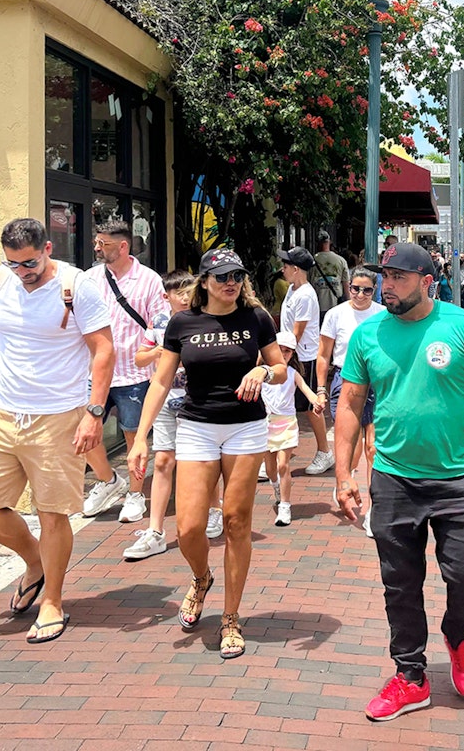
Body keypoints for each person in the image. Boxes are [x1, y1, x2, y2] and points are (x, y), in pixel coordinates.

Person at [333, 240, 464, 720]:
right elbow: (348, 404)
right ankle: (410, 676)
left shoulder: (463, 326)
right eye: (384, 277)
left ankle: (458, 637)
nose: (387, 287)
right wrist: (344, 475)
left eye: (398, 278)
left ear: (427, 282)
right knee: (400, 584)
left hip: (459, 480)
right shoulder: (370, 336)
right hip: (393, 480)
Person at [0, 218, 115, 645]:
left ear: (48, 248)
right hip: (1, 412)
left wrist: (94, 413)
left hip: (58, 416)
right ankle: (34, 561)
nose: (23, 272)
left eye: (30, 263)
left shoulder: (78, 288)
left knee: (53, 514)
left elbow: (103, 351)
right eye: (15, 264)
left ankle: (53, 601)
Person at [126, 248, 286, 660]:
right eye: (221, 277)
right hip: (195, 426)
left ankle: (231, 617)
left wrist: (262, 370)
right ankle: (201, 578)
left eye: (236, 276)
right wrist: (141, 437)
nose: (230, 283)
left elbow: (281, 367)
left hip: (246, 427)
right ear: (204, 282)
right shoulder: (182, 322)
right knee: (191, 527)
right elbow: (161, 382)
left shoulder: (256, 318)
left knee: (235, 522)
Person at [81, 222, 168, 523]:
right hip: (95, 374)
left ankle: (135, 494)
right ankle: (108, 481)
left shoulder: (149, 280)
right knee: (80, 433)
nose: (97, 248)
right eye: (97, 242)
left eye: (103, 243)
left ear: (123, 247)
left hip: (135, 373)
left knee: (134, 437)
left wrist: (161, 359)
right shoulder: (90, 279)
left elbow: (160, 323)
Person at [122, 269, 193, 560]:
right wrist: (157, 353)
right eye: (179, 292)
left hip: (195, 401)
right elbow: (140, 357)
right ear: (166, 296)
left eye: (189, 290)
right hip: (165, 400)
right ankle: (155, 530)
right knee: (163, 460)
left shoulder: (205, 318)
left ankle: (213, 511)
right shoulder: (160, 324)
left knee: (201, 462)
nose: (185, 297)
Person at [315, 266, 385, 536]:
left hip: (376, 381)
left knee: (374, 447)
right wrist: (320, 389)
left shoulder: (382, 314)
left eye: (367, 289)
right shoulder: (335, 314)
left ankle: (372, 510)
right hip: (344, 381)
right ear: (348, 287)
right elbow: (323, 355)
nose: (360, 294)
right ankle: (346, 477)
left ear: (374, 289)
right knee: (351, 443)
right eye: (355, 288)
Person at [278, 245, 333, 475]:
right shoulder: (293, 289)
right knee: (283, 405)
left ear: (297, 269)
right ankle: (278, 454)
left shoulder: (305, 295)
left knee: (312, 408)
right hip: (291, 354)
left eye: (286, 266)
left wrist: (282, 355)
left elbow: (297, 333)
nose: (282, 269)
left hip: (302, 357)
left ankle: (324, 452)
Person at [261, 330, 323, 527]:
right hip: (265, 424)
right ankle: (277, 488)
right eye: (280, 350)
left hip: (286, 422)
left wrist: (317, 400)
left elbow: (307, 390)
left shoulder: (292, 374)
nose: (284, 354)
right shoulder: (261, 371)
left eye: (288, 352)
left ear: (293, 354)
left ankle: (285, 507)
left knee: (282, 465)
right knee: (271, 469)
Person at [311, 230, 350, 320]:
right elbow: (346, 284)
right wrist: (348, 302)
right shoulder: (341, 260)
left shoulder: (312, 261)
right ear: (329, 242)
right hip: (335, 304)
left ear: (317, 243)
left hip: (317, 304)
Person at [373, 235, 398, 304]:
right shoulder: (383, 255)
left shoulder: (399, 257)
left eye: (388, 244)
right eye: (385, 244)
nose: (386, 246)